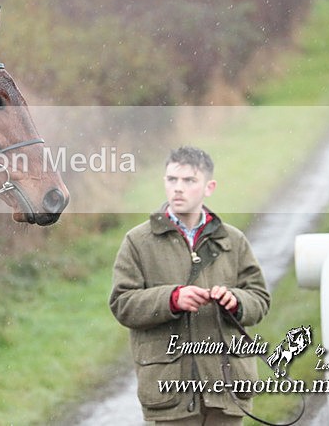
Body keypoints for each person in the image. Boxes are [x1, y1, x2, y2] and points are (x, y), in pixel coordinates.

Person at [109, 146, 270, 425]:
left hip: (226, 389)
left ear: (209, 187)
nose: (178, 189)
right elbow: (122, 304)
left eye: (189, 181)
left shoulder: (233, 240)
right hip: (169, 394)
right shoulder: (138, 241)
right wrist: (171, 299)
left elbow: (260, 298)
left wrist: (236, 301)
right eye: (172, 180)